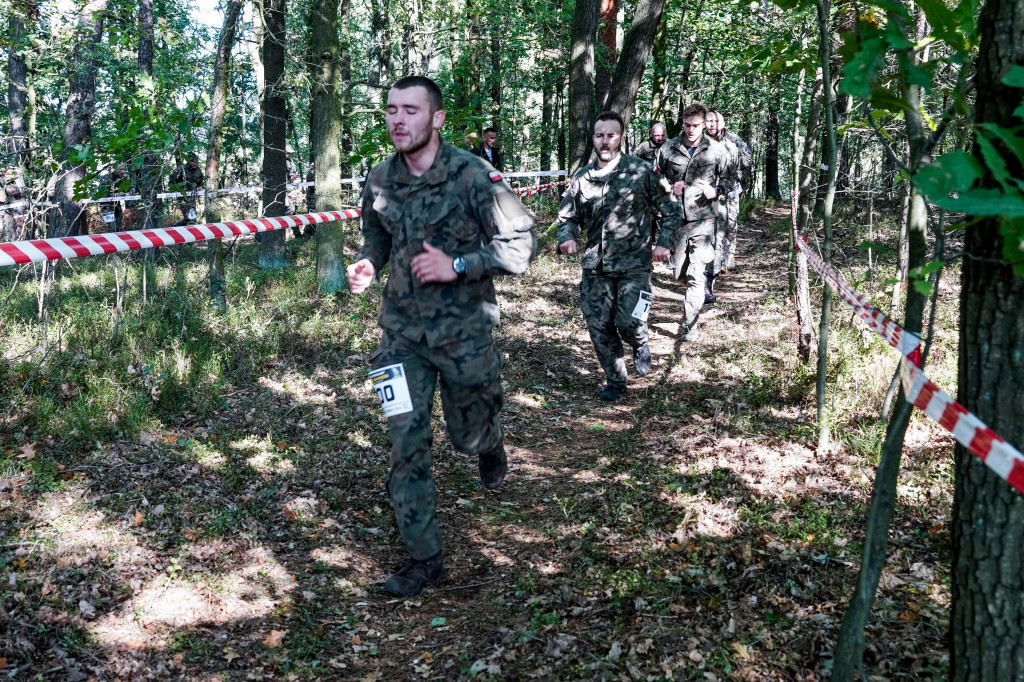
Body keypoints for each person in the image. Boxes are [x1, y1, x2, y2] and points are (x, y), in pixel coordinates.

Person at [347, 76, 535, 597]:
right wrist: (367, 262)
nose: (398, 120)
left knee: (467, 434)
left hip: (465, 334)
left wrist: (458, 264)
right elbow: (376, 234)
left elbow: (520, 248)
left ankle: (490, 443)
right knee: (406, 443)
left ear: (437, 118)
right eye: (390, 110)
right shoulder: (380, 177)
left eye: (411, 109)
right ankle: (425, 558)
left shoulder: (474, 176)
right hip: (400, 335)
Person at [556, 112, 681, 401]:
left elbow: (671, 209)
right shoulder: (583, 178)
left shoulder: (641, 172)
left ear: (621, 137)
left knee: (629, 321)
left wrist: (665, 243)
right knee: (598, 325)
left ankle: (640, 342)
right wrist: (567, 237)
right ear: (593, 138)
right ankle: (615, 379)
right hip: (596, 265)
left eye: (611, 135)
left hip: (634, 264)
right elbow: (567, 216)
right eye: (599, 135)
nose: (604, 141)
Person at [654, 102, 734, 341]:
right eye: (687, 125)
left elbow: (731, 178)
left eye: (696, 125)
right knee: (680, 273)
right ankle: (688, 297)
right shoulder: (668, 149)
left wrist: (717, 190)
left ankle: (690, 325)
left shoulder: (717, 150)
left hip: (704, 220)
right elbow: (653, 177)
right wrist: (668, 187)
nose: (691, 130)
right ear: (682, 123)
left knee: (697, 274)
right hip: (675, 220)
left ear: (703, 124)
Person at [706, 110, 752, 275]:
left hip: (729, 189)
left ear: (723, 123)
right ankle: (713, 260)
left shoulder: (734, 140)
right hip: (708, 189)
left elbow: (747, 160)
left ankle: (729, 255)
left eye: (716, 121)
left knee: (730, 223)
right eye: (709, 121)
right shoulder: (700, 141)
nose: (712, 125)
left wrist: (737, 177)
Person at [169, 154, 204, 226]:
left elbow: (200, 179)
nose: (195, 163)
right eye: (192, 161)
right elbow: (172, 182)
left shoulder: (198, 170)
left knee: (189, 218)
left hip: (192, 197)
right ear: (188, 161)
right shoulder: (181, 169)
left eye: (196, 161)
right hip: (183, 197)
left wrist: (200, 185)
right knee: (191, 218)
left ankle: (174, 229)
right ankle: (175, 231)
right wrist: (176, 191)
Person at [101, 163, 128, 231]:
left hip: (116, 205)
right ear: (115, 169)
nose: (123, 171)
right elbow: (102, 193)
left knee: (119, 225)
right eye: (121, 169)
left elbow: (127, 190)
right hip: (106, 206)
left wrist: (125, 193)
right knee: (112, 227)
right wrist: (114, 195)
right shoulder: (106, 178)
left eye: (124, 169)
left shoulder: (122, 179)